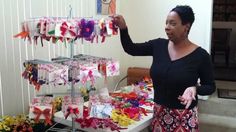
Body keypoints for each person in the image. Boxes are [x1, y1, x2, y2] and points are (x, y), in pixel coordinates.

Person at [113, 5, 216, 132]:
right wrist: (123, 28)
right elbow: (131, 48)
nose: (167, 27)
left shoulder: (201, 56)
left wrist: (195, 88)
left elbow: (210, 86)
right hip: (159, 116)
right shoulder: (158, 45)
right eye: (166, 23)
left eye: (172, 23)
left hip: (184, 120)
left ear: (186, 27)